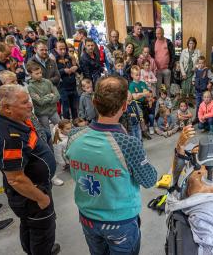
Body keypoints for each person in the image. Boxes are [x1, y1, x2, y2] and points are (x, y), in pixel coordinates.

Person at [66, 76, 157, 255]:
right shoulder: (128, 144)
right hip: (120, 222)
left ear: (93, 102)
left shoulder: (74, 135)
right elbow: (149, 179)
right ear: (124, 106)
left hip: (87, 218)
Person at [0, 84, 60, 255]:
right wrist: (41, 198)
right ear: (7, 108)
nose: (30, 104)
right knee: (42, 231)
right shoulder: (10, 138)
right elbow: (16, 178)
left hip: (30, 192)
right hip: (31, 195)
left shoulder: (11, 121)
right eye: (24, 102)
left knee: (30, 227)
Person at [27, 62, 61, 132]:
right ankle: (49, 143)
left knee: (61, 126)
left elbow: (57, 96)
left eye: (40, 73)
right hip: (42, 113)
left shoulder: (47, 81)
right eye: (37, 73)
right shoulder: (31, 87)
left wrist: (45, 98)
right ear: (30, 74)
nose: (40, 75)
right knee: (47, 132)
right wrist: (50, 95)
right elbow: (40, 102)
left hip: (53, 110)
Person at [51, 39, 79, 120]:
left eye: (64, 49)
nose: (63, 51)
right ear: (56, 49)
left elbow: (78, 68)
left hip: (73, 85)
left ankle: (76, 122)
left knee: (74, 107)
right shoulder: (53, 60)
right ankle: (67, 126)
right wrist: (63, 71)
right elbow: (53, 74)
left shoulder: (70, 57)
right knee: (66, 108)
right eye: (60, 49)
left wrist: (75, 67)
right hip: (62, 87)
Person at [150, 27, 175, 95]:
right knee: (158, 86)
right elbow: (151, 56)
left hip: (167, 69)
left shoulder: (168, 42)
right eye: (157, 34)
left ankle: (168, 99)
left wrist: (170, 67)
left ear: (163, 33)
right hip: (157, 69)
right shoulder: (153, 42)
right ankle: (158, 101)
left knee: (168, 86)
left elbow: (173, 55)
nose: (158, 35)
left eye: (160, 33)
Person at [129, 65, 152, 140]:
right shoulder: (132, 85)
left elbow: (148, 93)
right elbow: (135, 97)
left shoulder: (142, 83)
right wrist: (142, 94)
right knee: (140, 119)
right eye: (136, 75)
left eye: (139, 74)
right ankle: (142, 133)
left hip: (144, 103)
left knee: (145, 118)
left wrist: (139, 94)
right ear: (132, 75)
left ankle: (144, 131)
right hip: (136, 104)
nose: (138, 76)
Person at [193, 55, 213, 121]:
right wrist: (193, 81)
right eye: (199, 63)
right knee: (197, 105)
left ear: (205, 63)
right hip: (197, 91)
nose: (201, 64)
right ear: (197, 63)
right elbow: (194, 77)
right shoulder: (196, 70)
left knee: (204, 105)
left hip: (204, 92)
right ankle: (197, 118)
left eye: (202, 63)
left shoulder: (207, 71)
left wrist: (210, 83)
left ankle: (205, 118)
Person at [52, 119, 72, 185]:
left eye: (71, 127)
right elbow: (57, 154)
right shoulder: (58, 141)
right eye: (67, 129)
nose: (70, 130)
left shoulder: (67, 134)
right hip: (65, 159)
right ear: (61, 129)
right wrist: (62, 163)